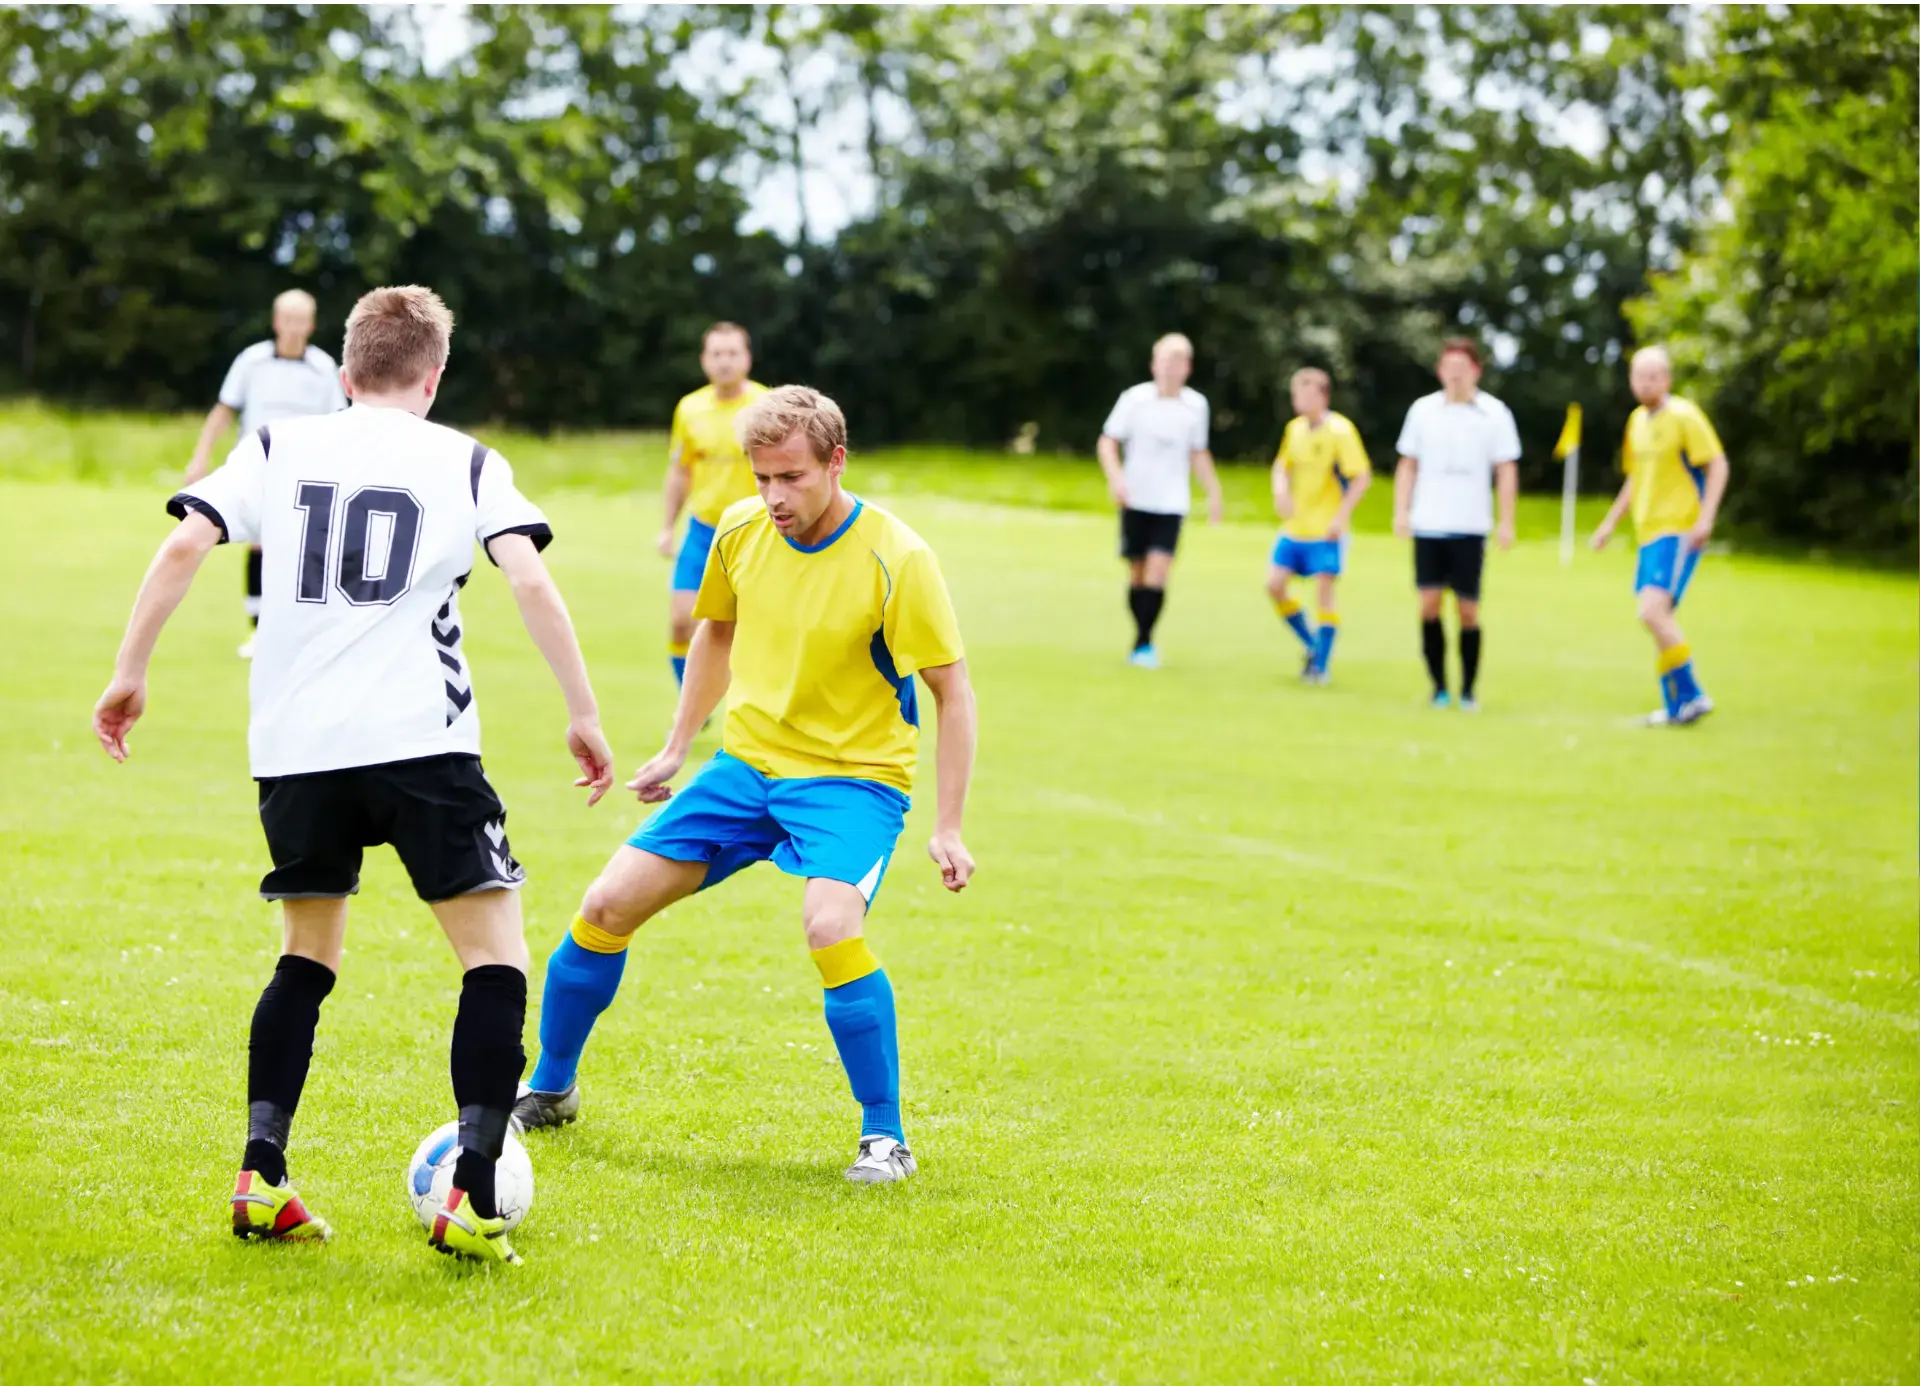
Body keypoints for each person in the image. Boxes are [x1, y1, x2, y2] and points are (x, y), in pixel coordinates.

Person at [92, 285, 615, 1265]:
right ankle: (469, 1192)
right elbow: (530, 576)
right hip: (424, 743)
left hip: (296, 752)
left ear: (340, 374)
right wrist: (582, 712)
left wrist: (130, 673)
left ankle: (261, 1175)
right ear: (433, 376)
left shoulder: (280, 448)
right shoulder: (464, 457)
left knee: (306, 957)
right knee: (496, 960)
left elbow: (182, 542)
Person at [513, 385, 978, 1186]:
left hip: (852, 779)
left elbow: (952, 691)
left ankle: (885, 1136)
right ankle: (551, 1086)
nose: (773, 497)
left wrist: (949, 825)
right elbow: (715, 633)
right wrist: (675, 746)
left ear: (836, 462)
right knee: (604, 905)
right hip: (748, 767)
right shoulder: (740, 528)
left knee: (830, 924)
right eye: (761, 478)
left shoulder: (898, 558)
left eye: (791, 478)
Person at [185, 289, 348, 659]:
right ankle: (259, 631)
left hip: (309, 472)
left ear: (311, 324)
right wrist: (200, 458)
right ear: (276, 321)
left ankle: (304, 629)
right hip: (258, 466)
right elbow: (224, 411)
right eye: (286, 319)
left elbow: (339, 422)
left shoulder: (324, 368)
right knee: (260, 545)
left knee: (303, 550)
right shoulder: (252, 361)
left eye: (300, 320)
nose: (292, 327)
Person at [1589, 346, 1729, 725]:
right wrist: (1608, 525)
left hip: (1679, 527)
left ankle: (1693, 695)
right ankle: (1676, 707)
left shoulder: (1684, 416)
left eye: (1653, 376)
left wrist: (1706, 518)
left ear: (1666, 379)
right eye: (1639, 376)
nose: (1646, 383)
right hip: (1648, 532)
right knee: (1658, 617)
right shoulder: (1637, 422)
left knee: (1652, 612)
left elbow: (1717, 465)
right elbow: (1635, 479)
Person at [1392, 339, 1520, 709]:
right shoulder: (1423, 411)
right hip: (1429, 522)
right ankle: (1439, 686)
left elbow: (1506, 468)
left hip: (1470, 524)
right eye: (1449, 365)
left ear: (1476, 370)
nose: (1455, 373)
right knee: (1428, 604)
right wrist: (1402, 510)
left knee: (1467, 609)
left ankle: (1468, 689)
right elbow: (1408, 463)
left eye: (1463, 366)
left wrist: (1506, 520)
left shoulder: (1494, 413)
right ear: (1439, 370)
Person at [1097, 333, 1223, 668]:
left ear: (1188, 368)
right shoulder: (1135, 399)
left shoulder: (1196, 406)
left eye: (1177, 362)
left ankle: (1144, 642)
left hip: (1171, 502)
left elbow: (1198, 452)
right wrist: (1117, 479)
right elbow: (1108, 442)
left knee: (1158, 571)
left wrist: (1213, 491)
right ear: (1154, 364)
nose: (1170, 369)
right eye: (1165, 361)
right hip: (1136, 499)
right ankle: (1140, 637)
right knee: (1137, 574)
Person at [658, 323, 768, 686]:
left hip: (756, 533)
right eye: (716, 354)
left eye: (733, 353)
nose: (725, 361)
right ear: (704, 360)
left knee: (749, 630)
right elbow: (680, 471)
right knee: (680, 620)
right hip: (704, 531)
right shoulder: (689, 408)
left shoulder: (766, 405)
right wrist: (666, 528)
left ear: (747, 359)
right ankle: (690, 700)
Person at [1266, 368, 1372, 684]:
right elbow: (1280, 467)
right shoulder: (1295, 429)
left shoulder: (1340, 431)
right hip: (1296, 526)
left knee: (1325, 593)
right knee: (1274, 585)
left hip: (1327, 530)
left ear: (1322, 395)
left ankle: (1319, 667)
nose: (1298, 399)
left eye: (1305, 392)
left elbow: (1361, 477)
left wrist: (1341, 516)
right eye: (1296, 392)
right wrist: (1280, 491)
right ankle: (1313, 644)